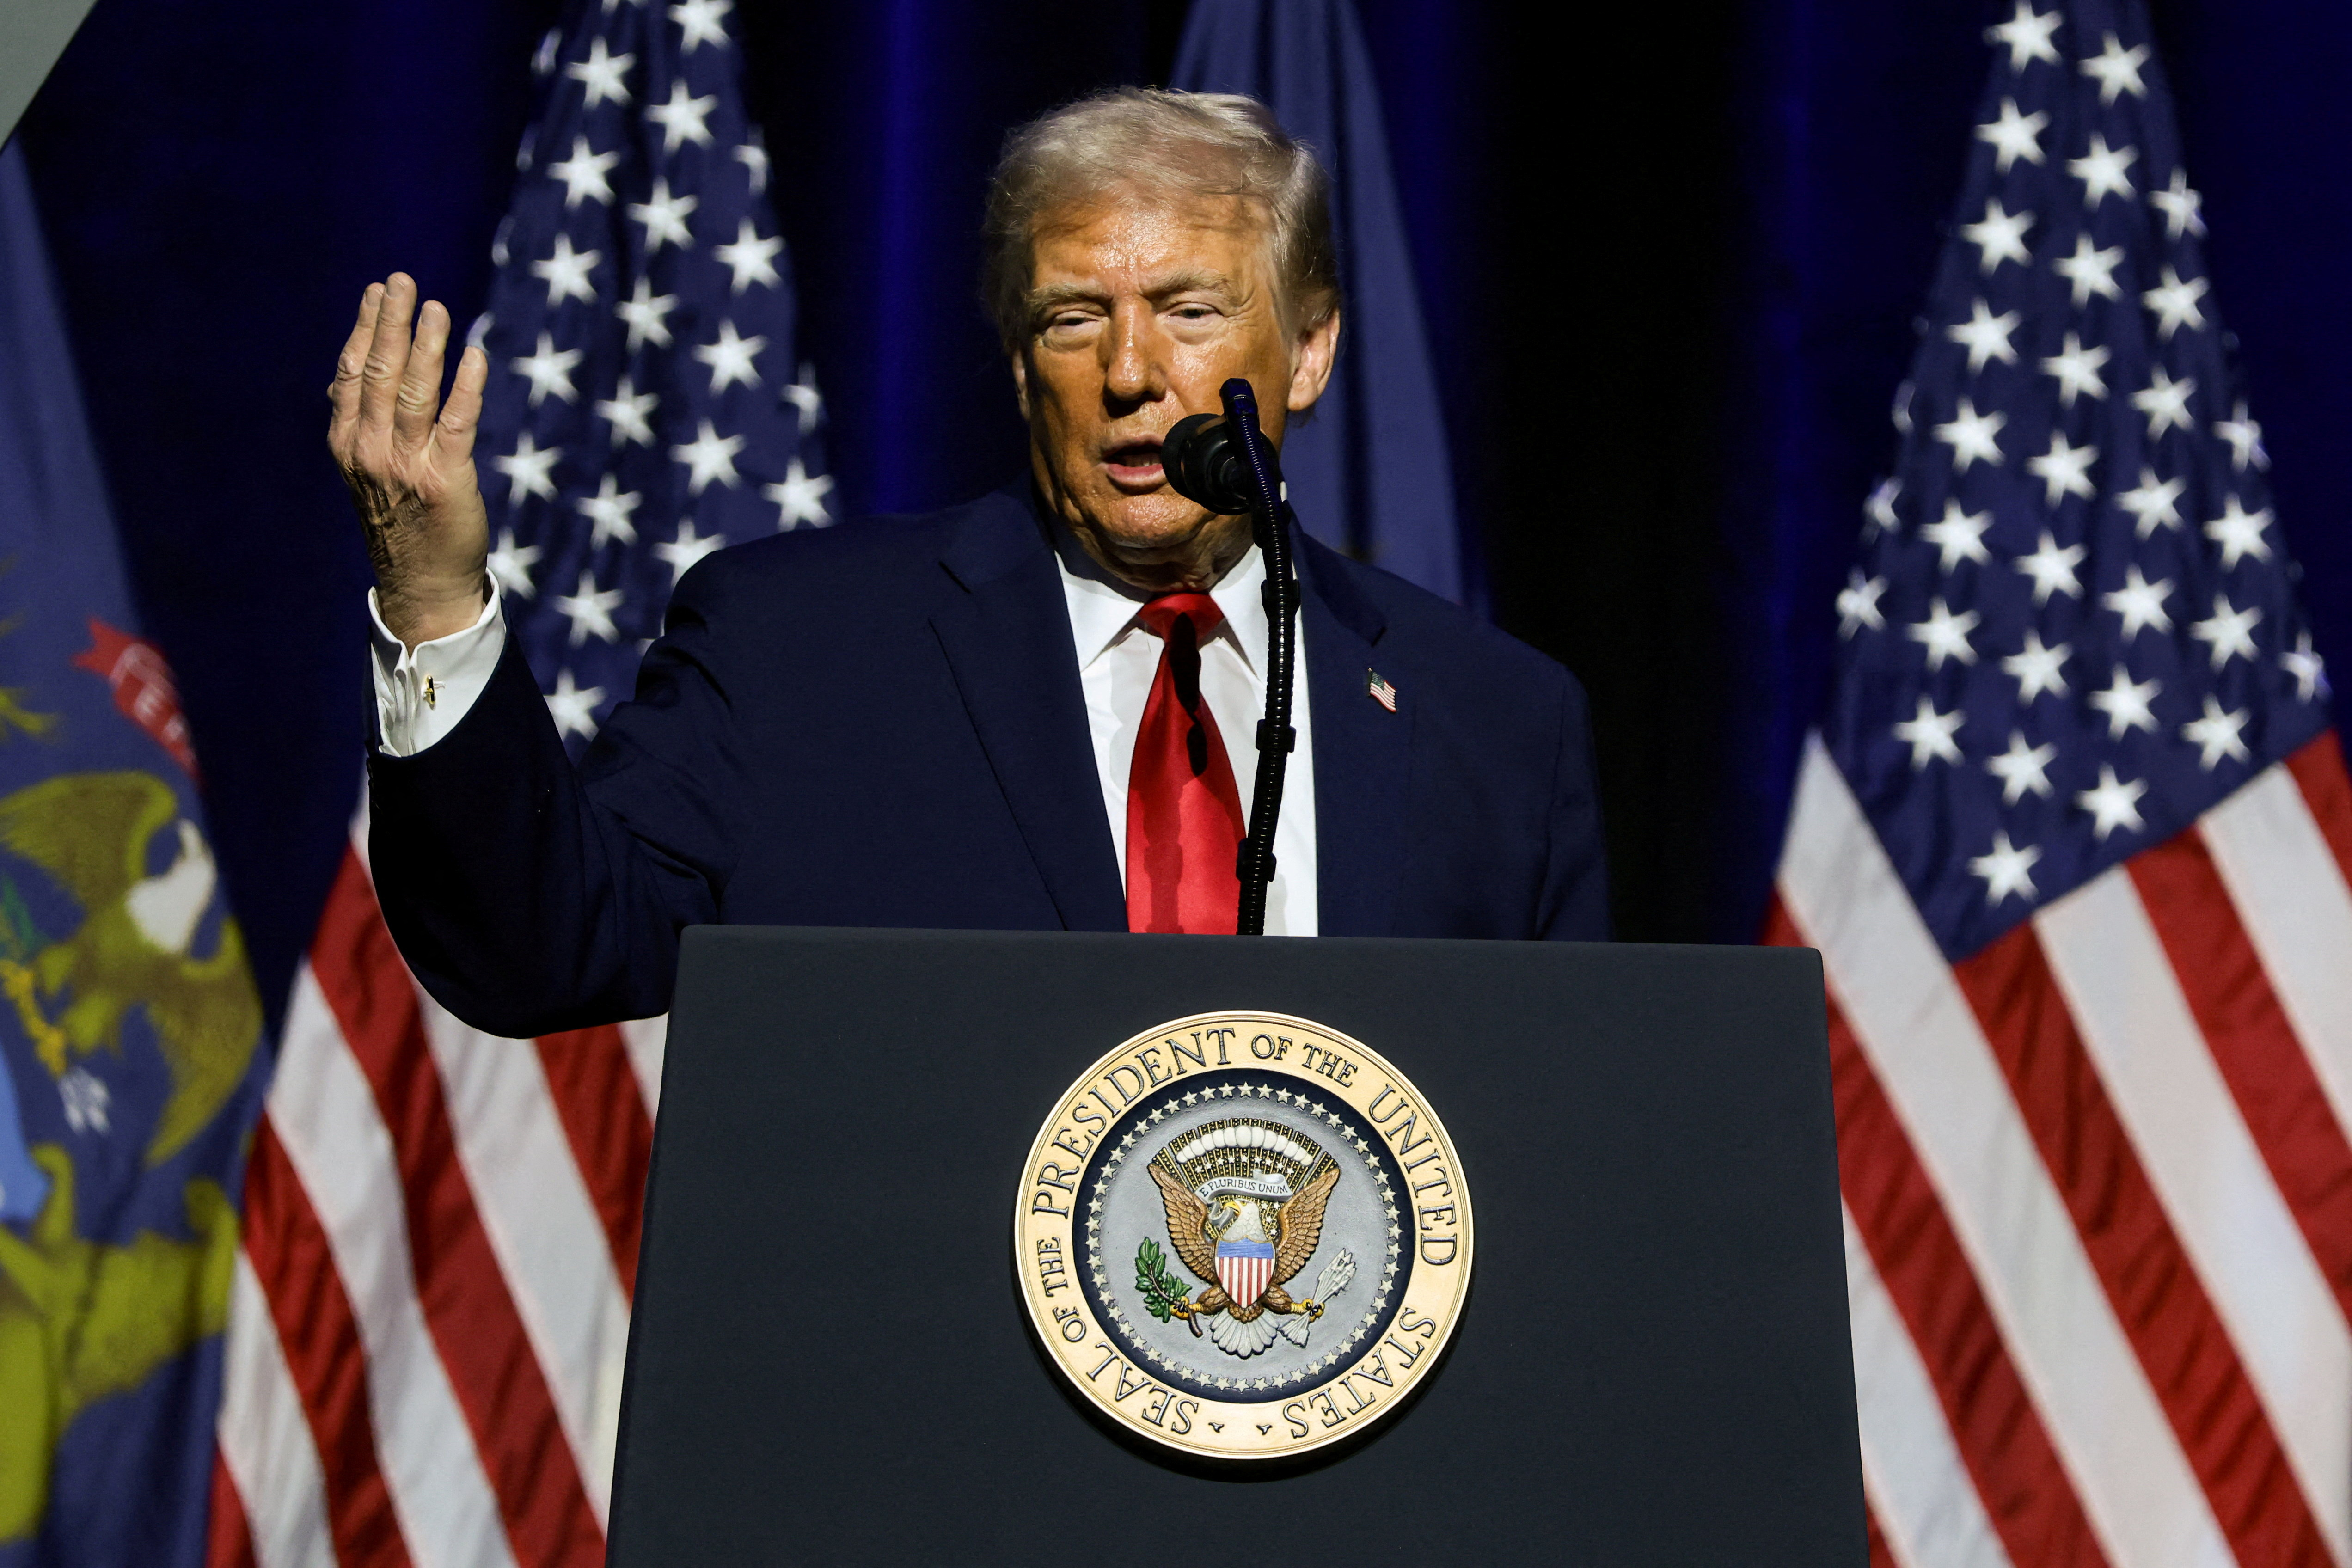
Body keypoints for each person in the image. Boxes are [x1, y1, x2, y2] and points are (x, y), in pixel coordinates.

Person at [331, 88, 1607, 1038]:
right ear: (1017, 365)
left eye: (1189, 310)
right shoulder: (798, 654)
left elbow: (1568, 1137)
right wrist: (433, 601)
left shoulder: (1495, 722)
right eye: (1072, 319)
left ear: (1312, 351)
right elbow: (538, 949)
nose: (1129, 374)